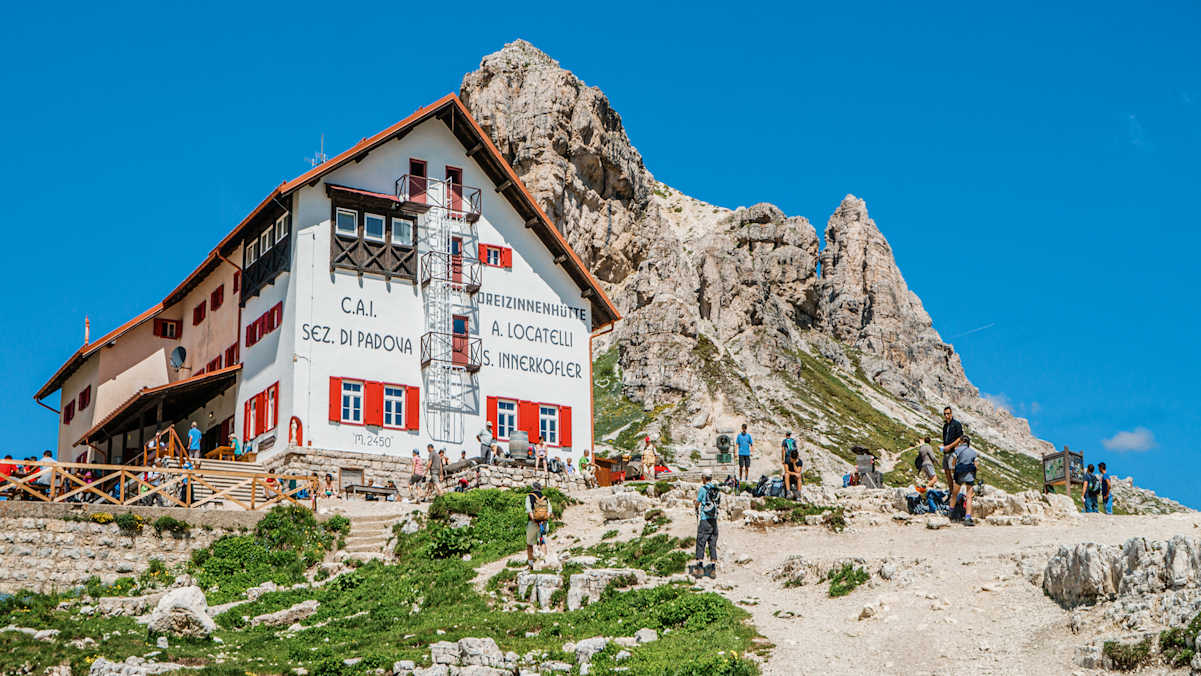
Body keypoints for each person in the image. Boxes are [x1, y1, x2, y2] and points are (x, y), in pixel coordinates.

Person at [693, 471, 720, 579]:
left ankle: (700, 567)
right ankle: (713, 568)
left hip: (705, 519)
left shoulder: (703, 489)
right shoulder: (715, 489)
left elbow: (698, 502)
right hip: (714, 520)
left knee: (701, 541)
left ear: (704, 478)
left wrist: (695, 504)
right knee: (712, 543)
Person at [948, 437, 979, 526]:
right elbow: (976, 466)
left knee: (954, 494)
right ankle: (967, 517)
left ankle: (951, 513)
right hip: (970, 476)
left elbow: (953, 463)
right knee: (969, 497)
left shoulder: (957, 450)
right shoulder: (973, 452)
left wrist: (954, 471)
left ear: (962, 441)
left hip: (959, 475)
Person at [525, 481, 552, 567]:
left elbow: (529, 510)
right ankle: (545, 562)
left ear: (533, 488)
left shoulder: (529, 496)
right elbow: (549, 511)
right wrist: (543, 520)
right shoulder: (545, 497)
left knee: (529, 544)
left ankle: (531, 564)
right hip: (543, 524)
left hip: (532, 524)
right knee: (542, 542)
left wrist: (535, 520)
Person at [940, 407, 964, 490]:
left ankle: (956, 492)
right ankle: (951, 491)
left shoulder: (957, 424)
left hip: (953, 452)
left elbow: (960, 438)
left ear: (951, 414)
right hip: (946, 452)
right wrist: (943, 446)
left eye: (948, 413)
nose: (946, 416)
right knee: (947, 473)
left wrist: (949, 446)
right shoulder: (945, 426)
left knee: (954, 472)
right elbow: (945, 439)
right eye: (945, 414)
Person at [916, 436, 940, 512]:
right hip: (929, 463)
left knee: (930, 480)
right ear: (930, 441)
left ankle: (929, 499)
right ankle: (924, 488)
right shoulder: (928, 447)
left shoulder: (921, 448)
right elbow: (932, 456)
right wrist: (937, 461)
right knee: (934, 478)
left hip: (923, 465)